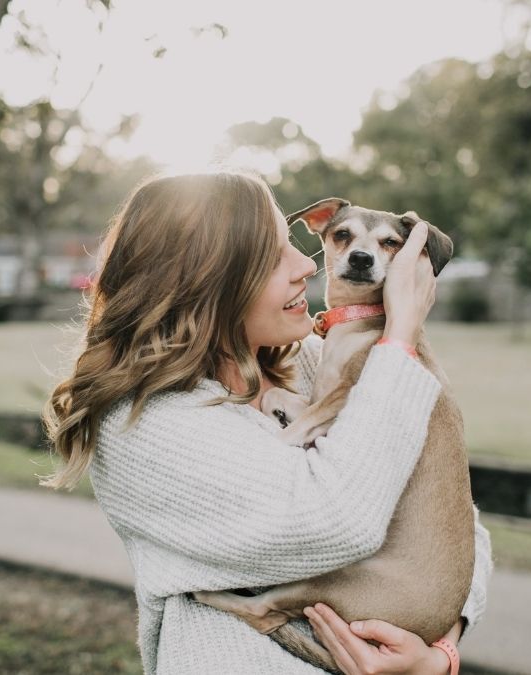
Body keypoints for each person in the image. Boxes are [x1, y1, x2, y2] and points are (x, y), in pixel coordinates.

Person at [41, 171, 493, 674]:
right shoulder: (144, 426)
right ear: (207, 280)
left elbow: (457, 525)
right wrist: (402, 333)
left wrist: (438, 655)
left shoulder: (311, 364)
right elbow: (338, 522)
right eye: (275, 255)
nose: (307, 264)